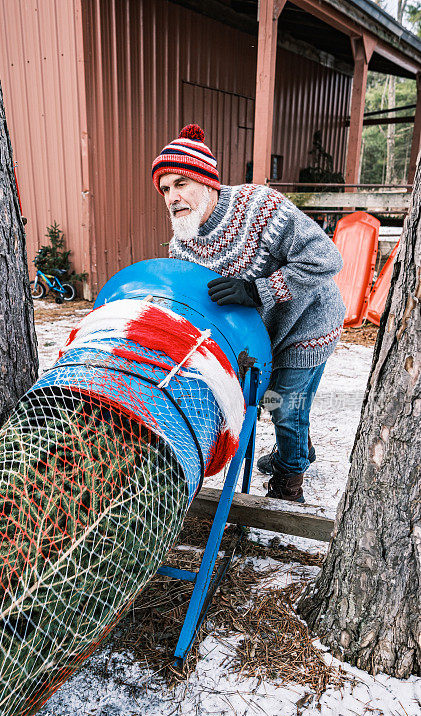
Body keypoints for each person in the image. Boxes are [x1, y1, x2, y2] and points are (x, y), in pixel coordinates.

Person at [151, 124, 346, 503]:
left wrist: (257, 290)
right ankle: (297, 450)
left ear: (207, 182)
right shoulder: (182, 245)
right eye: (165, 189)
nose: (172, 197)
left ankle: (290, 479)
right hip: (260, 336)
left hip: (308, 321)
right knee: (270, 400)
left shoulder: (260, 207)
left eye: (181, 183)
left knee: (286, 408)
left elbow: (327, 259)